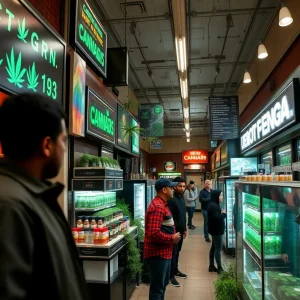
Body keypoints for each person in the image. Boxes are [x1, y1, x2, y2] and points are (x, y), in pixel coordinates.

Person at [0, 93, 89, 299]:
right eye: (64, 141)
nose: (65, 149)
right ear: (47, 145)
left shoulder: (32, 196)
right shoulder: (11, 206)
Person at [144, 178, 181, 300]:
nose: (173, 190)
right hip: (158, 255)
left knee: (162, 286)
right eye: (171, 188)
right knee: (157, 289)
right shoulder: (158, 207)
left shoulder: (163, 205)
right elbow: (153, 233)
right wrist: (172, 238)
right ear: (164, 190)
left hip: (164, 253)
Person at [167, 177, 188, 287]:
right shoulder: (171, 199)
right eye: (180, 186)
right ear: (175, 186)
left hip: (180, 230)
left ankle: (175, 270)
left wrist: (184, 229)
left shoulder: (181, 198)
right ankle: (170, 276)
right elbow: (171, 218)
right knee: (173, 253)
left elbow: (183, 214)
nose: (182, 188)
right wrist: (174, 232)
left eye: (184, 186)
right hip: (174, 232)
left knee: (178, 251)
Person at [207, 190, 226, 274]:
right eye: (220, 195)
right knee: (218, 248)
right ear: (216, 196)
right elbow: (217, 218)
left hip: (214, 229)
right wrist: (224, 214)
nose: (222, 197)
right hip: (217, 230)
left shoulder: (213, 204)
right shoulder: (214, 206)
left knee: (214, 247)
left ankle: (211, 265)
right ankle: (219, 268)